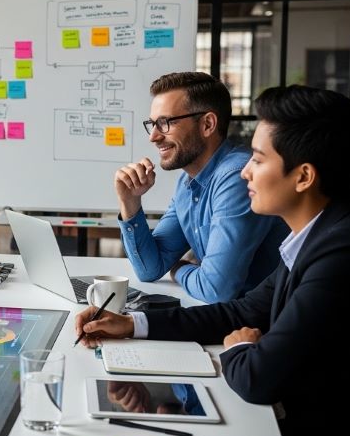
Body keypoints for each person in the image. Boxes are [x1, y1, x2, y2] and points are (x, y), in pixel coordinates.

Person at [76, 85, 350, 436]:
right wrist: (132, 324)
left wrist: (239, 347)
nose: (246, 171)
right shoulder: (315, 237)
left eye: (258, 160)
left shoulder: (345, 249)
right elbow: (240, 312)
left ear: (303, 176)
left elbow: (256, 376)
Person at [115, 72, 287, 303]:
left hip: (260, 318)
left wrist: (179, 269)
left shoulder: (236, 177)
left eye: (165, 123)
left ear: (207, 124)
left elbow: (216, 290)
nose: (153, 137)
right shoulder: (188, 182)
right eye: (153, 124)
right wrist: (130, 202)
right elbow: (149, 269)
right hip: (222, 314)